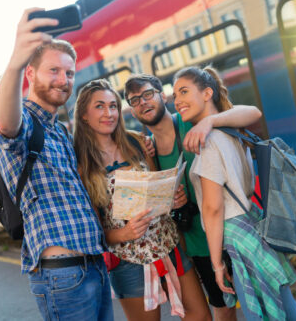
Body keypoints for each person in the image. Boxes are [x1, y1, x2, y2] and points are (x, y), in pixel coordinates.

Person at [0, 8, 112, 320]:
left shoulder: (59, 131)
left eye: (69, 73)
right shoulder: (26, 123)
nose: (63, 80)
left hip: (94, 266)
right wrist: (16, 61)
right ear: (31, 74)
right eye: (53, 71)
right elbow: (5, 124)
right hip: (63, 276)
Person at [124, 74, 262, 321]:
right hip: (195, 243)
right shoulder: (145, 150)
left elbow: (252, 113)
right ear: (131, 109)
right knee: (221, 304)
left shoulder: (191, 120)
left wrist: (209, 122)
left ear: (162, 95)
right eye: (135, 100)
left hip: (229, 231)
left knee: (256, 305)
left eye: (147, 94)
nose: (143, 103)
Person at [173, 66, 296, 321]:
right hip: (252, 226)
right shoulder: (234, 131)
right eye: (175, 94)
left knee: (266, 313)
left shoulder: (209, 142)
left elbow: (213, 209)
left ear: (207, 93)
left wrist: (217, 264)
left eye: (184, 91)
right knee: (283, 308)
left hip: (236, 236)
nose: (177, 100)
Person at [73, 79, 210, 321]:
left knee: (200, 316)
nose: (109, 113)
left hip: (168, 244)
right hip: (128, 261)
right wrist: (123, 233)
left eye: (113, 106)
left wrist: (174, 198)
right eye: (100, 107)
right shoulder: (82, 165)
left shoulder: (137, 141)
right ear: (84, 115)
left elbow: (159, 186)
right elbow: (93, 231)